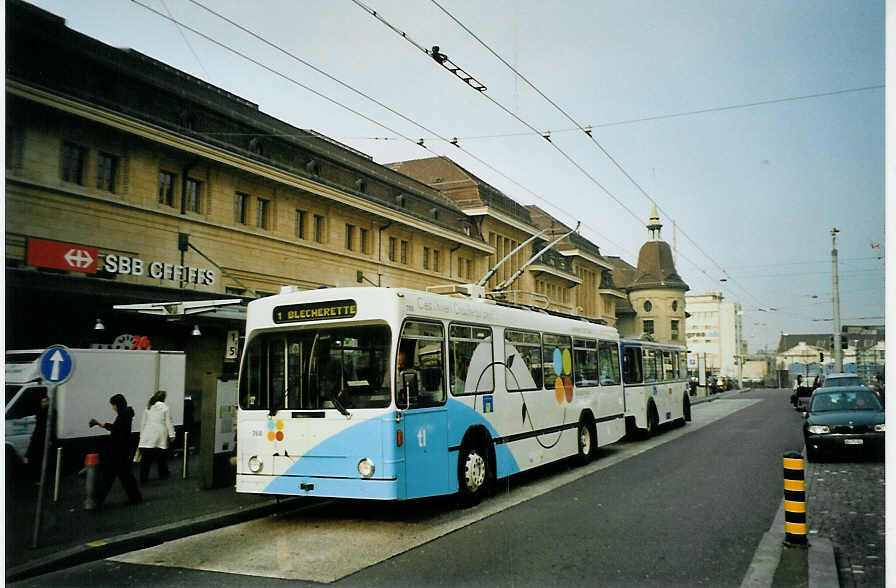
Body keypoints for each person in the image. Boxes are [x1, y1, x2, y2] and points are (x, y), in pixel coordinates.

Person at [88, 394, 142, 508]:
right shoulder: (125, 415)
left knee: (108, 476)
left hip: (118, 451)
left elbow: (116, 429)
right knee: (126, 476)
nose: (112, 408)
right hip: (122, 450)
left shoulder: (123, 416)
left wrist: (99, 423)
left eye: (113, 405)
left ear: (117, 405)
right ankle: (135, 497)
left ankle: (97, 501)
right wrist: (100, 423)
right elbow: (116, 428)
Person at [137, 390, 175, 483]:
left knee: (145, 459)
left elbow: (143, 422)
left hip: (147, 435)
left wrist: (141, 435)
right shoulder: (165, 407)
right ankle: (163, 474)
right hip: (160, 435)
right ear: (163, 398)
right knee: (161, 457)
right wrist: (172, 434)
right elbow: (168, 422)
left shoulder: (148, 407)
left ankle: (143, 478)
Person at [25, 393, 51, 478]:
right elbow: (38, 427)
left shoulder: (48, 412)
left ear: (48, 402)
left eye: (45, 402)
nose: (43, 403)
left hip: (43, 439)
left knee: (39, 459)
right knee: (35, 459)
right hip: (38, 437)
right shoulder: (41, 412)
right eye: (42, 402)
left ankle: (40, 478)